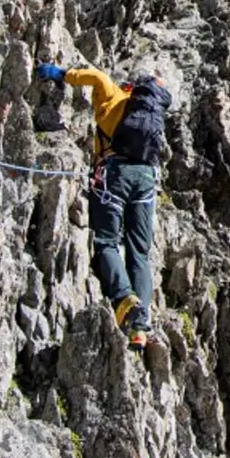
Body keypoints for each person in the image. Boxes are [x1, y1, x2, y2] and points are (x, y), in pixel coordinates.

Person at [34, 61, 168, 350]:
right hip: (146, 178)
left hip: (114, 173)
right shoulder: (152, 116)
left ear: (129, 88)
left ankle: (124, 300)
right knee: (139, 253)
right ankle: (139, 328)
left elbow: (95, 77)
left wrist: (60, 74)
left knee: (107, 242)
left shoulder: (115, 94)